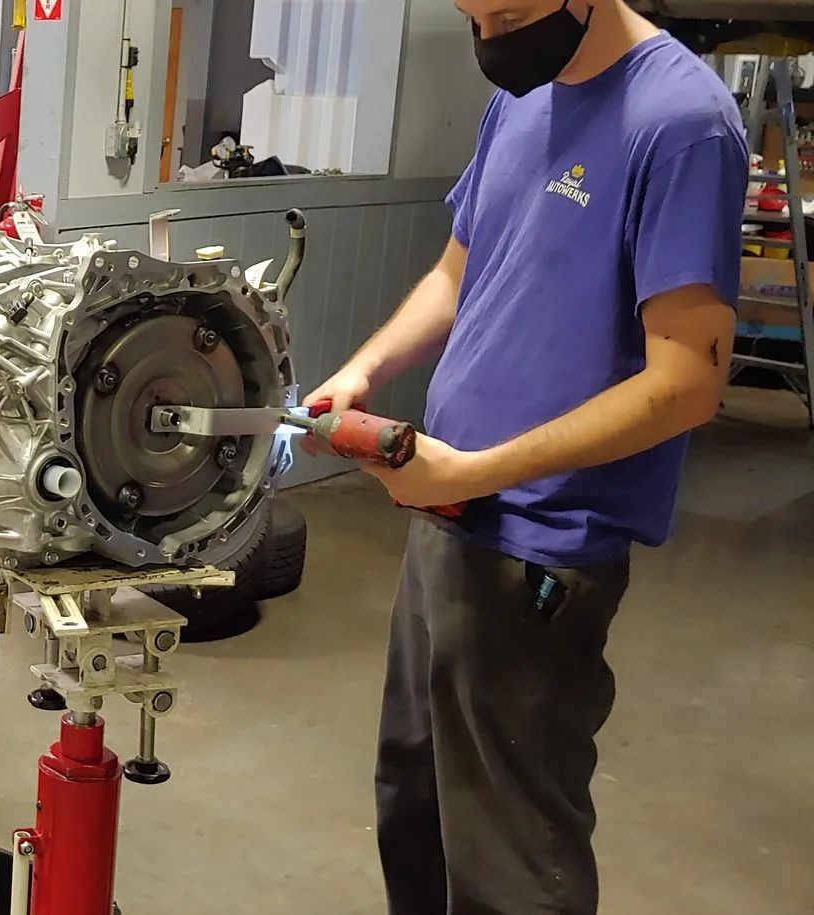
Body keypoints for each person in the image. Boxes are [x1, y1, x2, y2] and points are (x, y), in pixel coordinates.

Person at [303, 1, 745, 912]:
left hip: (541, 547)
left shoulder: (683, 124)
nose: (492, 37)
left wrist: (474, 472)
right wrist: (365, 369)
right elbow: (457, 272)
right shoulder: (522, 96)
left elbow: (687, 383)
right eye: (474, 16)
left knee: (510, 857)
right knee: (415, 806)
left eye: (509, 12)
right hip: (445, 516)